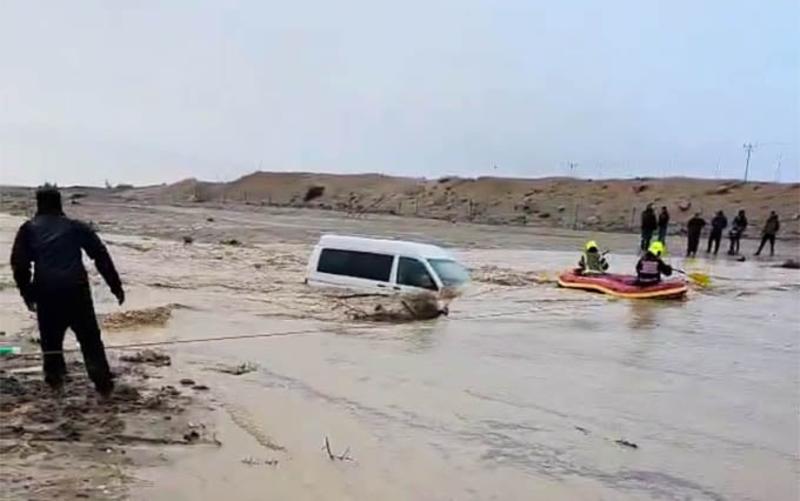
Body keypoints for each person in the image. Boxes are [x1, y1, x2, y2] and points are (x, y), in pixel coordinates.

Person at [10, 186, 125, 396]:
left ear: (38, 204)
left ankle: (56, 388)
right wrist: (115, 287)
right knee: (90, 341)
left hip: (46, 293)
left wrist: (28, 295)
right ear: (60, 203)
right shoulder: (75, 227)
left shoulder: (28, 229)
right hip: (77, 291)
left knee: (51, 343)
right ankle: (104, 387)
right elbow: (101, 256)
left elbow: (19, 266)